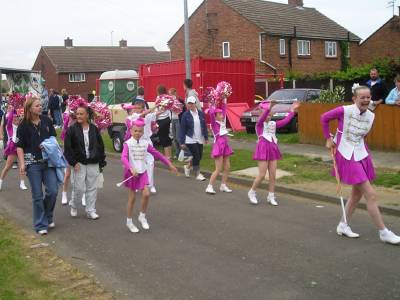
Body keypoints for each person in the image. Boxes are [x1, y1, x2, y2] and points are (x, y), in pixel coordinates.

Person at [321, 85, 400, 245]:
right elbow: (324, 118)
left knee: (357, 195)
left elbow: (362, 136)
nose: (365, 100)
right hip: (346, 153)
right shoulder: (345, 110)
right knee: (370, 194)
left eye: (368, 97)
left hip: (361, 154)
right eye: (362, 97)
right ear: (354, 99)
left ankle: (343, 225)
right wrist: (329, 138)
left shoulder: (371, 116)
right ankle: (383, 232)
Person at [121, 118, 177, 233]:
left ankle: (142, 216)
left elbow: (158, 154)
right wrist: (130, 168)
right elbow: (123, 157)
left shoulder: (145, 143)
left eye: (140, 131)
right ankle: (129, 221)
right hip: (132, 173)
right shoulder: (128, 143)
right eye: (135, 131)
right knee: (132, 199)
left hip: (142, 172)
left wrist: (169, 164)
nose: (138, 133)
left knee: (146, 194)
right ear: (131, 131)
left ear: (143, 132)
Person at [16, 95, 58, 235]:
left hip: (48, 163)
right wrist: (22, 163)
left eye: (41, 105)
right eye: (37, 105)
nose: (40, 107)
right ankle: (41, 225)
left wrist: (48, 146)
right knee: (38, 196)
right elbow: (19, 146)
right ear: (29, 108)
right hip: (32, 165)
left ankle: (47, 216)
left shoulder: (47, 121)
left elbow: (53, 140)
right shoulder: (23, 126)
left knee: (53, 191)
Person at [248, 101, 300, 205]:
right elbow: (263, 118)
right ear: (261, 114)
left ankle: (271, 196)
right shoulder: (259, 125)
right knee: (262, 175)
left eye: (270, 114)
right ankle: (252, 192)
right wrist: (268, 108)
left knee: (273, 175)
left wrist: (292, 111)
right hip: (263, 150)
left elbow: (285, 121)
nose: (268, 116)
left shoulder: (273, 124)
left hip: (273, 150)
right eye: (266, 114)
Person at [64, 104, 106, 220]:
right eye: (77, 114)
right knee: (79, 188)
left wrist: (101, 162)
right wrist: (73, 162)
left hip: (93, 162)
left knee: (92, 188)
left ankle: (90, 210)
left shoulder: (94, 129)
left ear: (87, 115)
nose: (78, 116)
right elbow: (68, 148)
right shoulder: (72, 130)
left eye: (81, 114)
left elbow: (100, 146)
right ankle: (74, 205)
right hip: (79, 163)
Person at [123, 102, 159, 193]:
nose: (136, 109)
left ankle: (150, 185)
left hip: (147, 142)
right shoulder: (133, 117)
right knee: (136, 164)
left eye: (139, 108)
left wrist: (166, 106)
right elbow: (143, 114)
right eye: (136, 108)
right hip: (136, 142)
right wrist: (155, 106)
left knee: (150, 163)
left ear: (143, 108)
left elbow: (157, 113)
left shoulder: (148, 116)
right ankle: (136, 184)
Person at [205, 104, 233, 194]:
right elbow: (212, 116)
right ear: (216, 116)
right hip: (218, 146)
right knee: (218, 169)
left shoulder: (222, 122)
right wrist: (211, 105)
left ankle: (223, 185)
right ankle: (209, 186)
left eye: (222, 114)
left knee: (227, 167)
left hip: (225, 146)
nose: (222, 115)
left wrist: (224, 99)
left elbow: (224, 110)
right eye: (220, 114)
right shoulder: (214, 124)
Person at [180, 96, 208, 181]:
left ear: (195, 104)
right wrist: (182, 142)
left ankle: (187, 167)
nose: (191, 105)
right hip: (190, 138)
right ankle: (197, 174)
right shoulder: (185, 115)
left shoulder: (200, 113)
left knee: (199, 156)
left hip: (200, 138)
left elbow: (204, 126)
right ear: (187, 105)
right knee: (196, 156)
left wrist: (206, 137)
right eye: (189, 103)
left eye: (192, 103)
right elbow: (183, 129)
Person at [0, 105, 28, 190]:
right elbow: (12, 116)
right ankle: (0, 181)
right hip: (12, 147)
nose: (17, 120)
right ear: (11, 120)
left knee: (22, 165)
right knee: (8, 166)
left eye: (17, 119)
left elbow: (24, 118)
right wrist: (13, 110)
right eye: (15, 119)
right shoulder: (9, 127)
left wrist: (21, 111)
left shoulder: (21, 126)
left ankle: (22, 183)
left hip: (20, 146)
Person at [156, 85, 173, 160]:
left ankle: (167, 157)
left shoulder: (159, 98)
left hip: (161, 119)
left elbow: (157, 109)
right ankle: (169, 154)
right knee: (167, 136)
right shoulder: (168, 98)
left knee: (163, 138)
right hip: (167, 119)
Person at [168, 88, 186, 159]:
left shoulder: (179, 100)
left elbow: (183, 109)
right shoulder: (170, 101)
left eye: (172, 93)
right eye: (170, 94)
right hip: (173, 119)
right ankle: (177, 153)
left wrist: (178, 108)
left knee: (178, 137)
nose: (171, 95)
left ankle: (183, 152)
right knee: (174, 138)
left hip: (178, 120)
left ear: (175, 93)